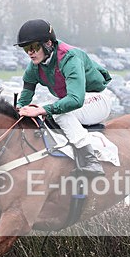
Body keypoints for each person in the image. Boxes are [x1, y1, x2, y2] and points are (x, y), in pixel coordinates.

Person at [14, 19, 114, 176]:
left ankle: (90, 160)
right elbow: (24, 99)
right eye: (26, 48)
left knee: (57, 112)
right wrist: (17, 110)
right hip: (77, 101)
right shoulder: (33, 67)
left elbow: (76, 99)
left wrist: (42, 110)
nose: (30, 53)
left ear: (48, 43)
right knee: (44, 111)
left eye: (33, 47)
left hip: (97, 99)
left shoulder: (69, 58)